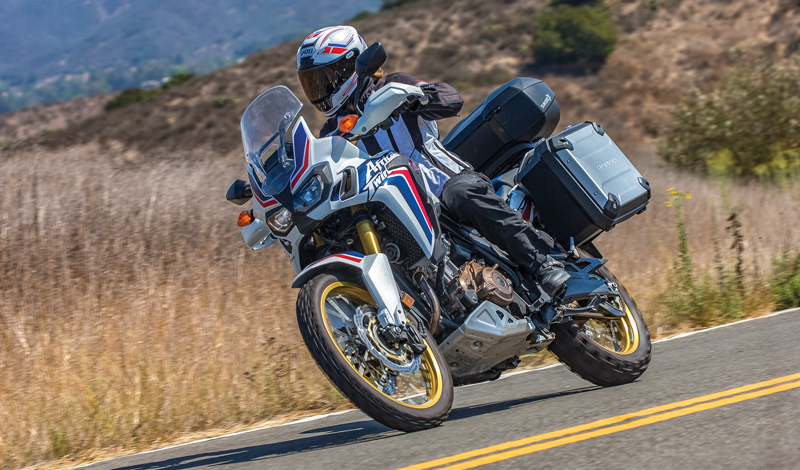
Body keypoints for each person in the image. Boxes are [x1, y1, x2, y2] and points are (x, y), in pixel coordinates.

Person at [296, 25, 569, 298]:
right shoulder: (331, 132)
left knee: (464, 195)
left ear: (351, 66)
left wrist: (415, 99)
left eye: (327, 78)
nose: (321, 89)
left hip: (441, 181)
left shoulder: (393, 86)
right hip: (394, 206)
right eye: (314, 82)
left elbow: (452, 99)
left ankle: (542, 261)